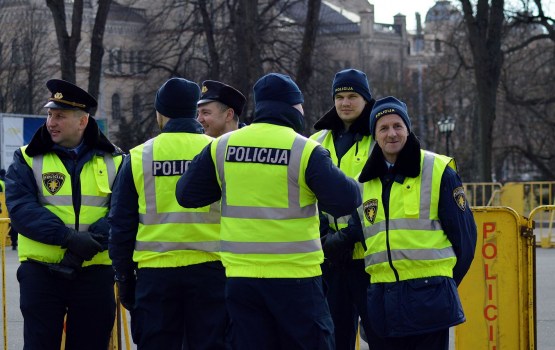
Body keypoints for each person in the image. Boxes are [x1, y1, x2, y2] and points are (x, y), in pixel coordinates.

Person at [176, 72, 362, 350]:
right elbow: (347, 199)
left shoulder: (223, 147)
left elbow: (186, 194)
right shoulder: (305, 150)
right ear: (293, 107)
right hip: (295, 279)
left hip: (242, 280)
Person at [108, 77, 228, 349]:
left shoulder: (139, 157)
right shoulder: (217, 151)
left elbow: (121, 224)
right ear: (194, 111)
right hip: (211, 271)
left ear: (160, 113)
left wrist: (125, 278)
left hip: (156, 275)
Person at [5, 79, 124, 350]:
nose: (51, 122)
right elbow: (22, 210)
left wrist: (88, 243)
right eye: (49, 114)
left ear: (82, 121)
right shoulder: (26, 158)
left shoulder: (116, 159)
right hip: (42, 272)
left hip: (95, 272)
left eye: (60, 116)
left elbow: (123, 211)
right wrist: (68, 238)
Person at [357, 96, 477, 350]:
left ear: (408, 129)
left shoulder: (438, 169)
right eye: (384, 128)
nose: (392, 134)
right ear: (374, 136)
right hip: (382, 305)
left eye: (398, 126)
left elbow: (465, 239)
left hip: (429, 304)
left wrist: (443, 285)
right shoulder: (364, 182)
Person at [310, 68, 375, 349]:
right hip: (329, 256)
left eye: (352, 96)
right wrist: (325, 235)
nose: (345, 103)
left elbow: (381, 195)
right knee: (335, 337)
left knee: (379, 333)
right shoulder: (316, 142)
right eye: (340, 97)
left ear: (366, 100)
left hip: (370, 255)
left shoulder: (379, 138)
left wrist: (349, 235)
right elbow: (307, 194)